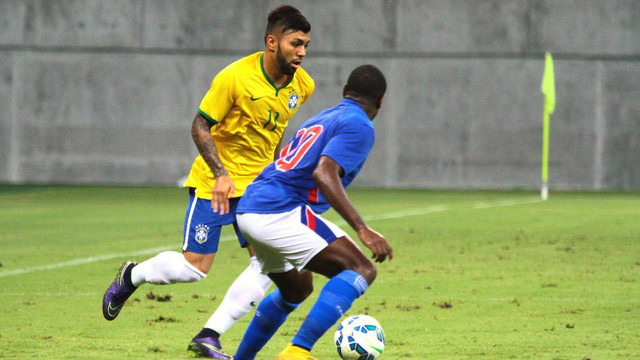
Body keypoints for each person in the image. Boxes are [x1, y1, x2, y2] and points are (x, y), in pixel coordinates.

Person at [101, 5, 314, 359]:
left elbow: (276, 127)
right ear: (272, 42)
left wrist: (279, 171)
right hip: (217, 184)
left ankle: (209, 335)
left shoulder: (303, 85)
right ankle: (131, 277)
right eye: (296, 43)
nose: (303, 53)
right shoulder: (234, 77)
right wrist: (220, 174)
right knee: (194, 268)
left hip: (259, 188)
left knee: (270, 266)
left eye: (307, 45)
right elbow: (199, 126)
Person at [232, 64, 393, 360]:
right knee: (361, 269)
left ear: (345, 92)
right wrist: (361, 228)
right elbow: (324, 171)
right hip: (279, 210)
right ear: (381, 101)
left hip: (249, 208)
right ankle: (297, 351)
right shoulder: (359, 125)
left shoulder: (324, 117)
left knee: (296, 289)